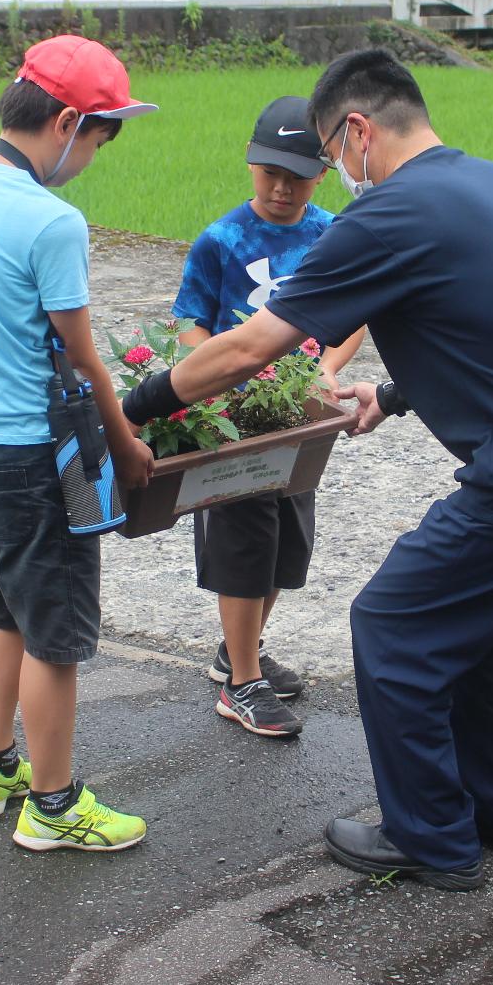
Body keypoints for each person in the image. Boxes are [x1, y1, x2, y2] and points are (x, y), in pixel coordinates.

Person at [124, 49, 493, 890]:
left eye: (333, 155)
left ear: (358, 131)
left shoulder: (387, 216)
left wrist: (139, 404)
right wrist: (395, 390)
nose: (337, 173)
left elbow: (248, 347)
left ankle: (431, 839)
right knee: (483, 628)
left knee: (396, 625)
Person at [0, 35, 157, 853]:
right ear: (65, 122)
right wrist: (126, 445)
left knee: (0, 610)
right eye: (98, 137)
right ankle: (54, 809)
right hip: (34, 459)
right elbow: (84, 359)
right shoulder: (51, 220)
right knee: (54, 634)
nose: (94, 154)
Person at [168, 95, 365, 740]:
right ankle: (241, 683)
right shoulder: (221, 241)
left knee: (283, 547)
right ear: (251, 165)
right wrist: (216, 382)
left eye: (299, 175)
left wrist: (326, 372)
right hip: (234, 421)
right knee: (243, 543)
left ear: (322, 170)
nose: (282, 188)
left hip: (299, 418)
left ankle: (237, 651)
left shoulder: (335, 235)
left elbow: (352, 316)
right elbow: (192, 324)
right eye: (269, 172)